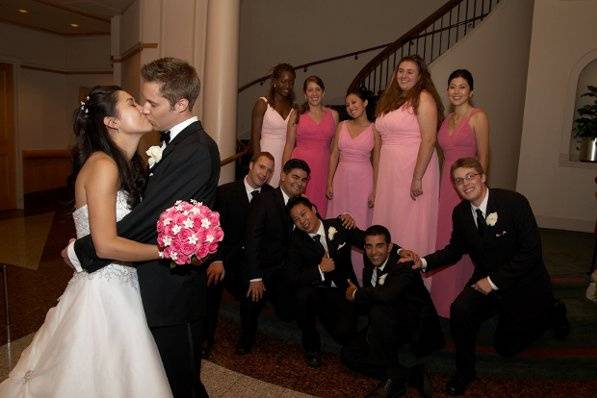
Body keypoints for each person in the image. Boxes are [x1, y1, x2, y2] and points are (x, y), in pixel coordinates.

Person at [0, 86, 173, 397]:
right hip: (105, 292)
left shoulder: (124, 166)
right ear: (112, 123)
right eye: (132, 103)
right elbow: (105, 245)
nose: (144, 108)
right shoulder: (104, 165)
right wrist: (166, 251)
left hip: (121, 284)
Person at [64, 58, 220, 397]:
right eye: (139, 101)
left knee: (181, 385)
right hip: (135, 288)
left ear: (180, 104)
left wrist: (86, 248)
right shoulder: (144, 153)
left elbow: (147, 219)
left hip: (172, 295)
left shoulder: (195, 150)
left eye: (151, 102)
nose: (145, 109)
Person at [407, 157, 570, 396]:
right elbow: (455, 250)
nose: (465, 183)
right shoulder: (461, 212)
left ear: (483, 177)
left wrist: (494, 282)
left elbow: (531, 253)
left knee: (506, 347)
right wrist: (422, 261)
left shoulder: (514, 203)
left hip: (524, 284)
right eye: (459, 180)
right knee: (460, 309)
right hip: (486, 281)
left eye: (470, 176)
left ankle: (551, 313)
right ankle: (465, 370)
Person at [341, 225, 444, 398]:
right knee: (348, 354)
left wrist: (356, 293)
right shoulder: (372, 258)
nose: (374, 252)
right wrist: (345, 216)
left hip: (412, 327)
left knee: (379, 312)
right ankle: (410, 375)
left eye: (380, 245)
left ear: (390, 247)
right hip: (384, 324)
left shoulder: (405, 266)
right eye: (369, 246)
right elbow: (354, 234)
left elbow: (386, 295)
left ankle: (392, 382)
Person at [371, 55, 444, 290]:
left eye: (410, 71)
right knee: (389, 221)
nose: (404, 75)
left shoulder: (424, 98)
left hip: (414, 169)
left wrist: (417, 176)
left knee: (410, 224)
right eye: (400, 71)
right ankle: (386, 280)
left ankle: (411, 287)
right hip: (389, 171)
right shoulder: (389, 100)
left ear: (421, 76)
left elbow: (430, 139)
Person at [199, 151, 275, 358]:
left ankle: (246, 339)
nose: (264, 173)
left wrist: (256, 274)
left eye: (269, 171)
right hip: (224, 258)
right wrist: (216, 259)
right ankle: (206, 337)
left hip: (250, 265)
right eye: (261, 167)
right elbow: (213, 230)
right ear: (251, 165)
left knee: (255, 294)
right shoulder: (225, 192)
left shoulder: (271, 196)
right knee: (211, 283)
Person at [431, 69, 490, 318]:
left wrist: (476, 192)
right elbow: (444, 157)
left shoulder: (478, 117)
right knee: (446, 237)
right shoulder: (445, 120)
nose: (456, 91)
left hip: (468, 186)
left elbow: (484, 157)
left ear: (471, 91)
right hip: (447, 184)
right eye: (452, 86)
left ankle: (463, 298)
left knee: (466, 238)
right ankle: (440, 298)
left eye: (462, 87)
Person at [238, 158, 311, 354]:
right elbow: (252, 239)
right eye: (295, 177)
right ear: (283, 176)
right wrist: (255, 277)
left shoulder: (305, 206)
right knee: (251, 300)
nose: (299, 182)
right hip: (264, 269)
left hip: (288, 271)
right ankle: (245, 341)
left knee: (295, 306)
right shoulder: (264, 200)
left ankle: (311, 347)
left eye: (304, 180)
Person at [286, 196, 363, 368]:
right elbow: (292, 277)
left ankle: (329, 318)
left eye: (303, 214)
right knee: (302, 296)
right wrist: (319, 270)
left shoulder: (339, 224)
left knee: (343, 333)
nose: (302, 222)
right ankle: (311, 347)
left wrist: (398, 250)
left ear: (313, 209)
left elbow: (367, 241)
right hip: (317, 290)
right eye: (296, 220)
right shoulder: (295, 241)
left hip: (344, 289)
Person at [327, 88, 380, 283]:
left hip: (363, 181)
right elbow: (333, 155)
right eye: (348, 104)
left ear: (365, 103)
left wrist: (375, 190)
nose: (350, 107)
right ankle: (336, 278)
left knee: (360, 228)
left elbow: (377, 162)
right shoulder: (341, 125)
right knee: (337, 228)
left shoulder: (375, 129)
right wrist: (329, 181)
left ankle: (361, 280)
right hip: (341, 180)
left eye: (355, 102)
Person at [283, 75, 338, 217]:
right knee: (298, 207)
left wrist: (331, 177)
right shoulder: (297, 114)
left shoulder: (333, 115)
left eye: (317, 90)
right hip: (300, 168)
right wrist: (284, 174)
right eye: (310, 90)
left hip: (323, 169)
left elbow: (334, 151)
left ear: (323, 92)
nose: (314, 94)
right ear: (305, 94)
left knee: (320, 209)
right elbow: (289, 145)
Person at [251, 63, 296, 187]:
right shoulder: (262, 104)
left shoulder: (293, 108)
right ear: (275, 82)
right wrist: (258, 165)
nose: (287, 86)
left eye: (291, 83)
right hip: (265, 156)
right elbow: (254, 139)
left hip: (286, 157)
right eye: (283, 81)